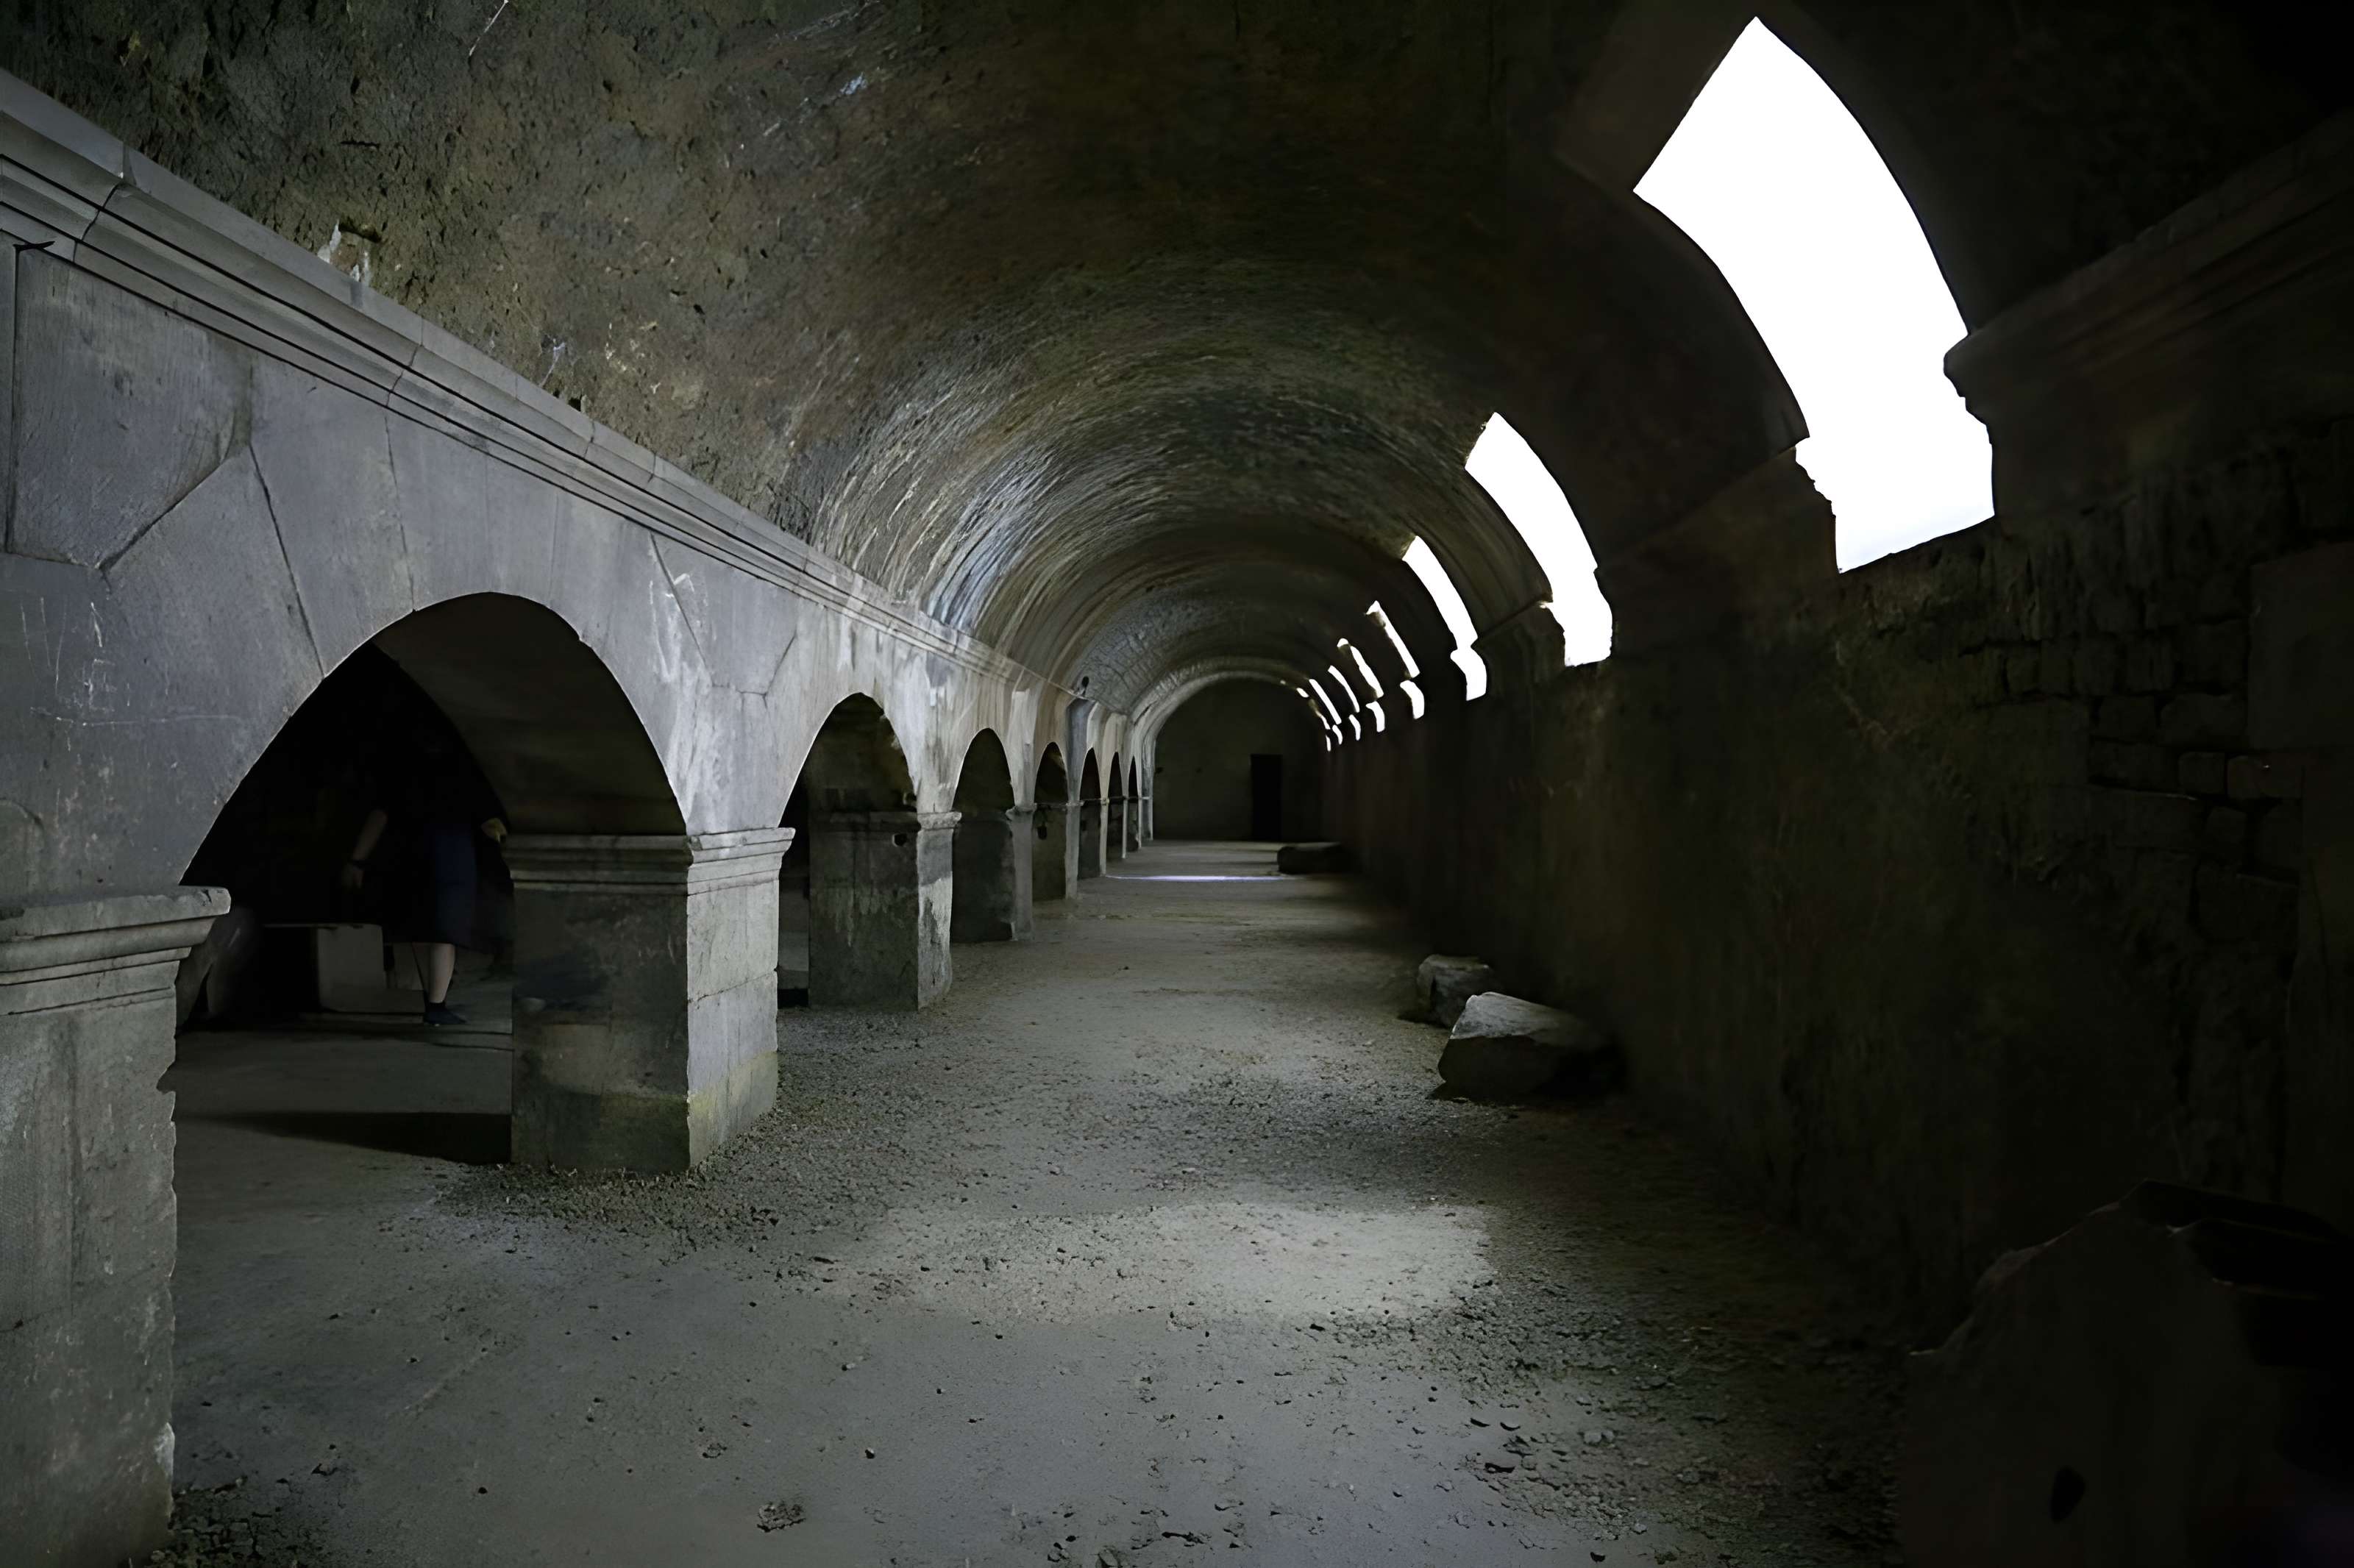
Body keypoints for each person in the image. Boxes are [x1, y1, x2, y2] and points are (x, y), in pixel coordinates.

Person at [340, 730, 506, 1027]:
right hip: (450, 855)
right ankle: (436, 1004)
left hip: (410, 854)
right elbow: (485, 818)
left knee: (421, 928)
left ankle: (432, 1000)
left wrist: (357, 860)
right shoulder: (463, 771)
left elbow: (381, 815)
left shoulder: (403, 772)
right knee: (444, 931)